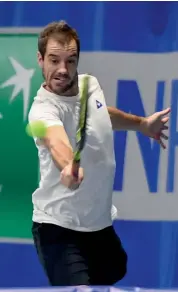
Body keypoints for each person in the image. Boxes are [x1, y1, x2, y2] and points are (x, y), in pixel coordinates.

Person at [29, 20, 170, 286]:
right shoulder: (43, 111)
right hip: (59, 228)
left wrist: (141, 124)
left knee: (115, 272)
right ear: (40, 59)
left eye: (70, 61)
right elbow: (55, 140)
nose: (62, 69)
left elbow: (102, 114)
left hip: (99, 226)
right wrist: (68, 166)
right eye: (54, 60)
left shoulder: (89, 85)